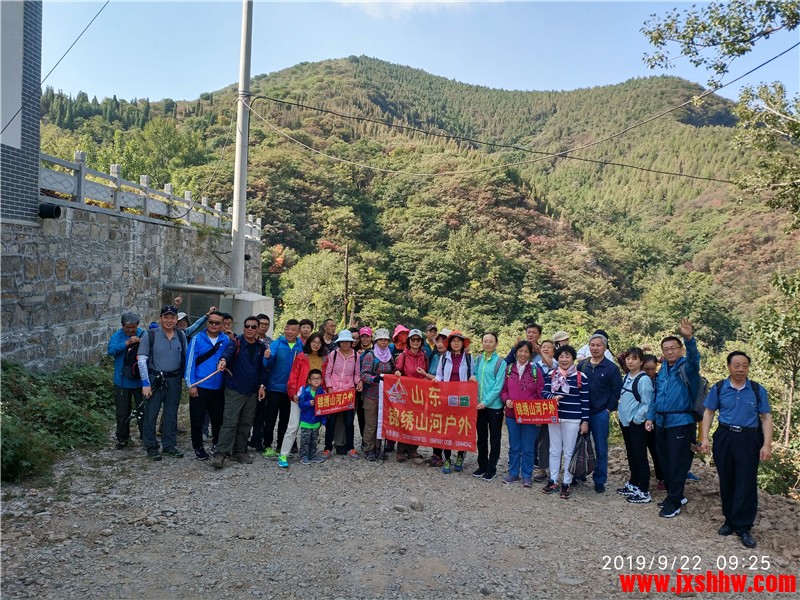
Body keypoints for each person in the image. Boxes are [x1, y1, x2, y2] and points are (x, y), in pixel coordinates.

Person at [700, 351, 772, 549]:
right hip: (725, 436)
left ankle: (744, 526)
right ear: (729, 367)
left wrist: (767, 444)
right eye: (736, 365)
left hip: (749, 438)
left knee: (746, 481)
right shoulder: (719, 388)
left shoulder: (757, 389)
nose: (741, 369)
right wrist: (704, 438)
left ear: (748, 368)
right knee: (727, 478)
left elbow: (766, 418)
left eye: (744, 366)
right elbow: (709, 413)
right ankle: (730, 520)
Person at [645, 318, 700, 518]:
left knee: (677, 462)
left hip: (681, 422)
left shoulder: (687, 367)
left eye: (673, 348)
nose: (669, 352)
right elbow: (656, 396)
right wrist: (650, 417)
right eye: (666, 349)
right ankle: (674, 495)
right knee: (665, 461)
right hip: (662, 422)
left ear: (680, 349)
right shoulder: (662, 372)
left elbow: (694, 359)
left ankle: (674, 501)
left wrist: (689, 338)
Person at [212, 316, 268, 469]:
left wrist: (262, 386)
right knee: (230, 421)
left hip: (252, 391)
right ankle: (221, 453)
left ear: (258, 329)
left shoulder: (261, 347)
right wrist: (223, 361)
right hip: (235, 389)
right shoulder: (235, 343)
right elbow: (227, 354)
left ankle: (240, 451)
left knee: (246, 422)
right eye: (247, 326)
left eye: (253, 327)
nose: (249, 329)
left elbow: (262, 368)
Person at [137, 305, 187, 461]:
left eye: (172, 317)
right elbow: (142, 360)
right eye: (166, 317)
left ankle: (169, 445)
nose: (169, 320)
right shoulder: (150, 335)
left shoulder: (181, 335)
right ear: (160, 318)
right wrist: (145, 383)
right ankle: (151, 446)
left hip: (174, 379)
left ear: (176, 319)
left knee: (171, 413)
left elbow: (185, 358)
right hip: (155, 380)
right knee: (151, 413)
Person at [542, 345, 589, 499]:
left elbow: (585, 401)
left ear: (573, 358)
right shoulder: (551, 374)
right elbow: (544, 392)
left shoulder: (581, 377)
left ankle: (566, 483)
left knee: (569, 451)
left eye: (567, 356)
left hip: (573, 418)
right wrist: (552, 398)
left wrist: (585, 421)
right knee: (554, 450)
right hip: (554, 417)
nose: (564, 359)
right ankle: (553, 480)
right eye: (561, 356)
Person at [578, 332, 622, 493]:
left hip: (600, 413)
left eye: (598, 345)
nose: (595, 348)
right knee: (579, 445)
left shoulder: (611, 368)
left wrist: (608, 410)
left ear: (605, 347)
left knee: (601, 448)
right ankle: (578, 473)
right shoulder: (582, 365)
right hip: (581, 412)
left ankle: (599, 479)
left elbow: (616, 391)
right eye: (592, 345)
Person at [184, 310, 230, 461]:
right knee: (197, 419)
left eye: (217, 323)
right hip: (200, 385)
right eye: (211, 322)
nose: (213, 325)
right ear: (207, 322)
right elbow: (190, 363)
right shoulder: (197, 339)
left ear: (222, 325)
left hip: (218, 387)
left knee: (218, 419)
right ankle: (198, 447)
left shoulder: (225, 340)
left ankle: (216, 444)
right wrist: (191, 385)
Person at [277, 333, 328, 468]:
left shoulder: (324, 359)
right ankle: (283, 455)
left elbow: (325, 378)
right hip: (301, 396)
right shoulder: (301, 357)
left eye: (319, 342)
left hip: (316, 397)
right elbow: (293, 375)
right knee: (293, 426)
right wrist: (292, 392)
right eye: (313, 342)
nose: (316, 344)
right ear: (309, 342)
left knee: (314, 426)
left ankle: (310, 454)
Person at [500, 341, 544, 487]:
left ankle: (526, 475)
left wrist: (539, 416)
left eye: (526, 351)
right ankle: (513, 473)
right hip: (512, 414)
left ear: (530, 354)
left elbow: (541, 393)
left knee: (528, 447)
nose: (523, 354)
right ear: (516, 352)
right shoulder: (509, 369)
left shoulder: (535, 371)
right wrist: (506, 400)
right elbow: (504, 390)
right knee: (514, 446)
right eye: (520, 351)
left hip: (529, 415)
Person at [617, 347, 655, 504]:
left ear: (641, 361)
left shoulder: (644, 380)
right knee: (632, 454)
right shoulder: (627, 376)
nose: (630, 361)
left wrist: (636, 420)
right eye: (628, 358)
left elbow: (647, 403)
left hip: (636, 424)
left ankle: (644, 490)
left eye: (634, 358)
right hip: (626, 422)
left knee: (640, 456)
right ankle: (634, 483)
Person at [260, 319, 303, 457]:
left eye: (293, 330)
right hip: (274, 388)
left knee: (285, 420)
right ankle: (267, 445)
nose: (289, 332)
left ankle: (281, 446)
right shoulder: (277, 343)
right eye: (287, 329)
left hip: (291, 390)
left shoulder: (301, 346)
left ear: (298, 332)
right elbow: (267, 363)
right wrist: (267, 357)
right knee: (270, 418)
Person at [435, 331, 473, 474]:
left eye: (459, 340)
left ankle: (460, 456)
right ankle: (447, 458)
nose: (456, 343)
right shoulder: (444, 357)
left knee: (462, 427)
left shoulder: (468, 358)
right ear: (449, 343)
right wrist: (437, 380)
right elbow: (439, 374)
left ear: (463, 343)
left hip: (463, 397)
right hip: (447, 397)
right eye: (453, 340)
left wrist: (473, 378)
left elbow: (472, 374)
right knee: (448, 427)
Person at [107, 311, 145, 449]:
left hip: (140, 381)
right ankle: (123, 439)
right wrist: (126, 343)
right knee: (122, 412)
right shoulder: (117, 336)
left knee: (143, 411)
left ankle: (146, 437)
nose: (131, 330)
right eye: (128, 327)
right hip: (122, 381)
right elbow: (111, 351)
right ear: (122, 325)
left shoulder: (143, 334)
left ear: (138, 325)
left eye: (133, 327)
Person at [471, 332, 506, 481]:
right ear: (482, 343)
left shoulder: (500, 362)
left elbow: (498, 386)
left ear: (496, 343)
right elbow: (475, 374)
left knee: (495, 438)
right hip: (479, 405)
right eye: (485, 341)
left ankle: (492, 468)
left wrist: (485, 402)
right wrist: (473, 377)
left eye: (491, 341)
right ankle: (482, 465)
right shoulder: (479, 359)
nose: (488, 343)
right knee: (481, 437)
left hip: (494, 406)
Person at [323, 330, 362, 458]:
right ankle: (327, 448)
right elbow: (327, 373)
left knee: (349, 422)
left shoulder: (356, 356)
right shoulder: (334, 354)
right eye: (342, 341)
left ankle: (350, 448)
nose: (345, 344)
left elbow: (356, 374)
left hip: (348, 393)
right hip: (334, 392)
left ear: (351, 342)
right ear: (339, 342)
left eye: (347, 341)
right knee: (331, 422)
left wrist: (359, 382)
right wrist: (329, 387)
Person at [393, 329, 429, 462]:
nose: (415, 342)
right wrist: (397, 372)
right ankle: (401, 450)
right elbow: (397, 369)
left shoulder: (424, 356)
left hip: (419, 394)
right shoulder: (403, 355)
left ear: (421, 342)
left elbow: (427, 372)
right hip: (406, 393)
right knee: (405, 420)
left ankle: (413, 449)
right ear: (409, 341)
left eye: (418, 339)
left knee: (417, 421)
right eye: (413, 339)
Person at [360, 328, 395, 461]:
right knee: (371, 423)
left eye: (386, 340)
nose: (383, 342)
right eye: (381, 340)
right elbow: (363, 374)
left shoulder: (389, 356)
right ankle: (368, 448)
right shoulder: (371, 355)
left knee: (381, 423)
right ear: (376, 341)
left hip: (385, 396)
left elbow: (393, 370)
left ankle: (378, 448)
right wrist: (374, 379)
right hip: (371, 395)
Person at [424, 328, 451, 467]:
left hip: (446, 396)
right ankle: (436, 454)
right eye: (438, 341)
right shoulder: (435, 357)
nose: (440, 344)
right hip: (434, 395)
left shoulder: (453, 359)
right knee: (435, 424)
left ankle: (447, 456)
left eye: (443, 341)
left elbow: (441, 378)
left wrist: (427, 376)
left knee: (446, 426)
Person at [642, 354, 666, 492]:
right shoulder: (638, 378)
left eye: (653, 368)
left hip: (657, 420)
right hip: (640, 419)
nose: (650, 372)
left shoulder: (660, 378)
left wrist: (662, 360)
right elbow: (622, 358)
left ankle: (662, 478)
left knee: (657, 450)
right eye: (647, 369)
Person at [297, 369, 328, 465]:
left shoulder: (322, 392)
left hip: (316, 422)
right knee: (305, 440)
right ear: (309, 380)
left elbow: (324, 408)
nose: (316, 380)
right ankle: (303, 456)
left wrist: (324, 420)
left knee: (314, 440)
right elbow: (300, 405)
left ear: (321, 380)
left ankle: (312, 455)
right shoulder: (305, 391)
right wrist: (308, 404)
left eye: (318, 378)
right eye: (313, 378)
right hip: (306, 422)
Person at [356, 327, 373, 442]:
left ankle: (371, 441)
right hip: (358, 388)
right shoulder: (355, 351)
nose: (365, 339)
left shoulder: (376, 351)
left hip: (371, 388)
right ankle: (364, 438)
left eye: (367, 336)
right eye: (363, 337)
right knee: (361, 414)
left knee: (371, 416)